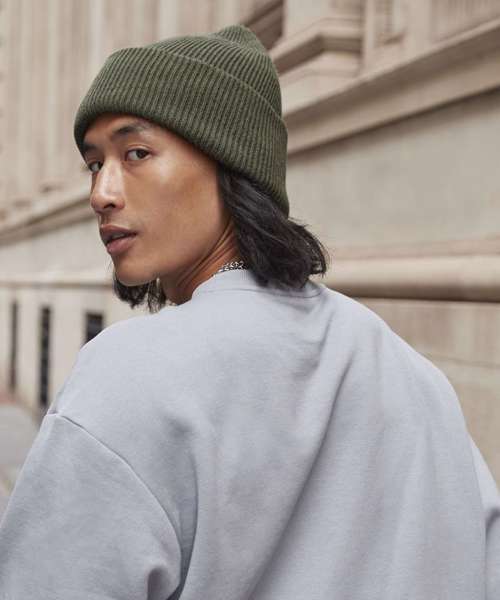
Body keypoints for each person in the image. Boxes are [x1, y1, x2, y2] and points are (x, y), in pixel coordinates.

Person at [0, 23, 499, 600]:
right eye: (94, 163)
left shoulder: (129, 374)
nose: (101, 193)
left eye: (136, 153)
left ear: (231, 166)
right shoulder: (409, 372)